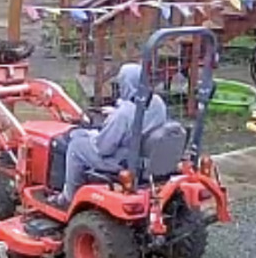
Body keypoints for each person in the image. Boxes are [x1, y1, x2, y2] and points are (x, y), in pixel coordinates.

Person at [49, 63, 168, 207]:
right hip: (144, 157)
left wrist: (90, 134)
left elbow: (103, 148)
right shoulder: (157, 102)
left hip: (123, 160)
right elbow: (138, 116)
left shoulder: (123, 114)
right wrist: (115, 111)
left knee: (76, 145)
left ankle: (68, 197)